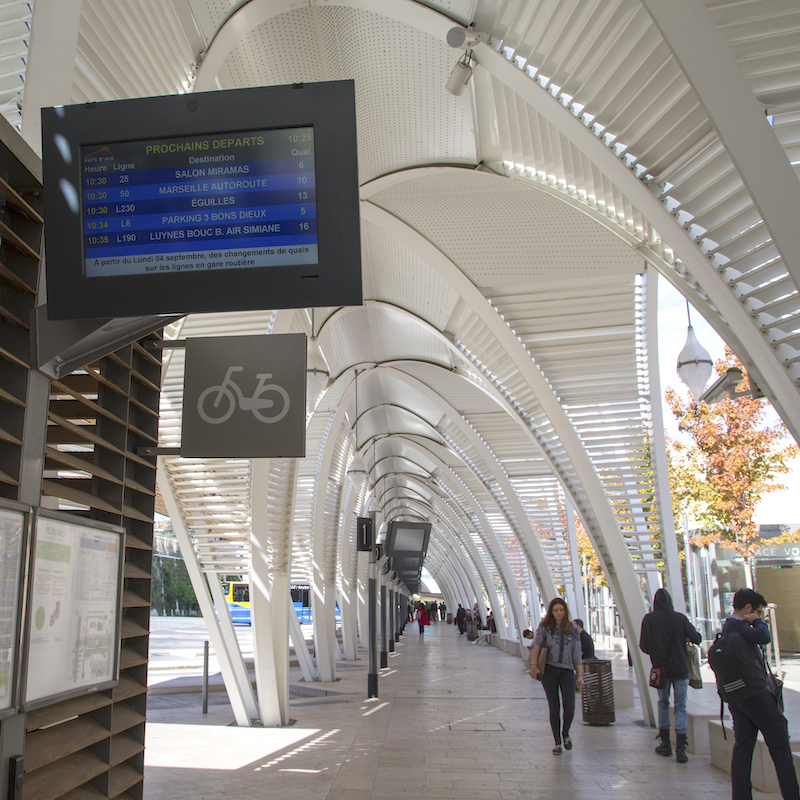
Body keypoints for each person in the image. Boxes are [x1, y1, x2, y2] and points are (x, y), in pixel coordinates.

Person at [722, 589, 799, 800]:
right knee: (781, 747)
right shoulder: (742, 626)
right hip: (755, 695)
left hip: (737, 698)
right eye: (758, 611)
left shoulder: (727, 627)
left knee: (743, 750)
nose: (760, 616)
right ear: (748, 608)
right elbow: (764, 637)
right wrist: (758, 622)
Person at [639, 588, 702, 763]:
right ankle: (681, 748)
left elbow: (643, 645)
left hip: (661, 669)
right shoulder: (680, 618)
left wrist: (656, 651)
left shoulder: (649, 619)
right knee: (681, 705)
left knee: (663, 703)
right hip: (680, 668)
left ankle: (665, 743)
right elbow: (696, 638)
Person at [530, 598, 584, 754]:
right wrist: (534, 666)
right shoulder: (545, 627)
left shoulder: (572, 629)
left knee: (570, 705)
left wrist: (580, 675)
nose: (559, 613)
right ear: (551, 612)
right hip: (549, 671)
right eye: (556, 610)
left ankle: (565, 732)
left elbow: (576, 653)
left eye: (561, 610)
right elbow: (537, 646)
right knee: (554, 706)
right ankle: (557, 742)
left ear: (565, 611)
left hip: (567, 671)